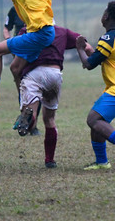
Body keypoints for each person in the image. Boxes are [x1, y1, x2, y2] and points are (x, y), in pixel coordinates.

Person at [76, 1, 115, 170]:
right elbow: (103, 59)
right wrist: (90, 51)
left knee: (93, 119)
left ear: (106, 16)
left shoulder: (108, 38)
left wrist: (79, 49)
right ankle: (102, 162)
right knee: (98, 121)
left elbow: (89, 65)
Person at [13, 25, 89, 168]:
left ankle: (30, 117)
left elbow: (16, 58)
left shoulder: (26, 30)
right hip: (54, 75)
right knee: (49, 119)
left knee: (29, 118)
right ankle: (50, 160)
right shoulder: (62, 31)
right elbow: (86, 46)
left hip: (33, 75)